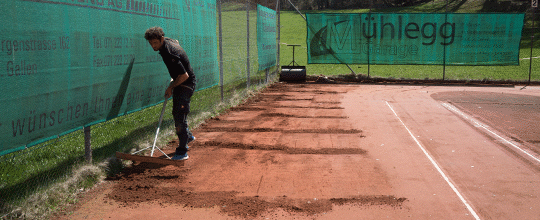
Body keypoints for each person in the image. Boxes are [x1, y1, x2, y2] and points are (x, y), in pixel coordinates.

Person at [144, 26, 196, 160]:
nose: (153, 46)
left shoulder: (169, 52)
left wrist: (170, 87)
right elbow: (176, 41)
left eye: (155, 43)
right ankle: (188, 136)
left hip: (186, 83)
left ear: (161, 39)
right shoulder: (167, 41)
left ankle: (182, 151)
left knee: (179, 114)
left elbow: (184, 76)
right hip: (180, 80)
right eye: (150, 43)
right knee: (176, 112)